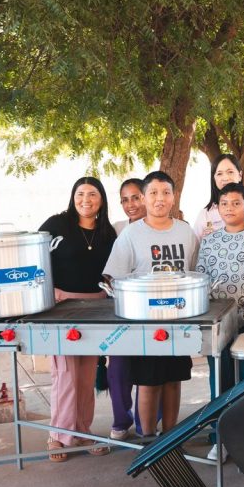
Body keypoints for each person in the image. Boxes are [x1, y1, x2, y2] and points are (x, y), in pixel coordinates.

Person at [102, 171, 200, 439]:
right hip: (145, 323)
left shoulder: (185, 231)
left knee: (173, 380)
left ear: (173, 197)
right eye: (153, 193)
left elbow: (193, 272)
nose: (160, 199)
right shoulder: (131, 234)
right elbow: (114, 278)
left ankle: (170, 438)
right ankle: (148, 440)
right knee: (148, 382)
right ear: (144, 198)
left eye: (166, 193)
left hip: (178, 320)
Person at [196, 182, 244, 460]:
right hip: (216, 322)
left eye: (236, 203)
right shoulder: (209, 240)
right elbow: (202, 276)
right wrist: (216, 312)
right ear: (217, 208)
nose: (229, 208)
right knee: (220, 379)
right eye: (224, 203)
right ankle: (221, 438)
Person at [39, 176, 116, 461]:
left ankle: (83, 431)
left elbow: (113, 271)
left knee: (86, 375)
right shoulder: (56, 225)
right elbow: (36, 260)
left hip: (96, 308)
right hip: (62, 308)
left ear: (101, 199)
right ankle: (58, 435)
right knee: (65, 374)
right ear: (73, 197)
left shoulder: (107, 232)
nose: (86, 199)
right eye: (80, 193)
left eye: (92, 194)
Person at [106, 177, 147, 439]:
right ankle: (121, 419)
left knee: (149, 367)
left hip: (152, 310)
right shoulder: (116, 229)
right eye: (124, 199)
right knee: (118, 367)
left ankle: (147, 422)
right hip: (121, 308)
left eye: (135, 197)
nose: (130, 204)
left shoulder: (165, 227)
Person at [192, 153, 244, 238]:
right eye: (219, 173)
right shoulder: (205, 215)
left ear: (240, 175)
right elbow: (194, 245)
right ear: (214, 178)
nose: (225, 178)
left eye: (230, 172)